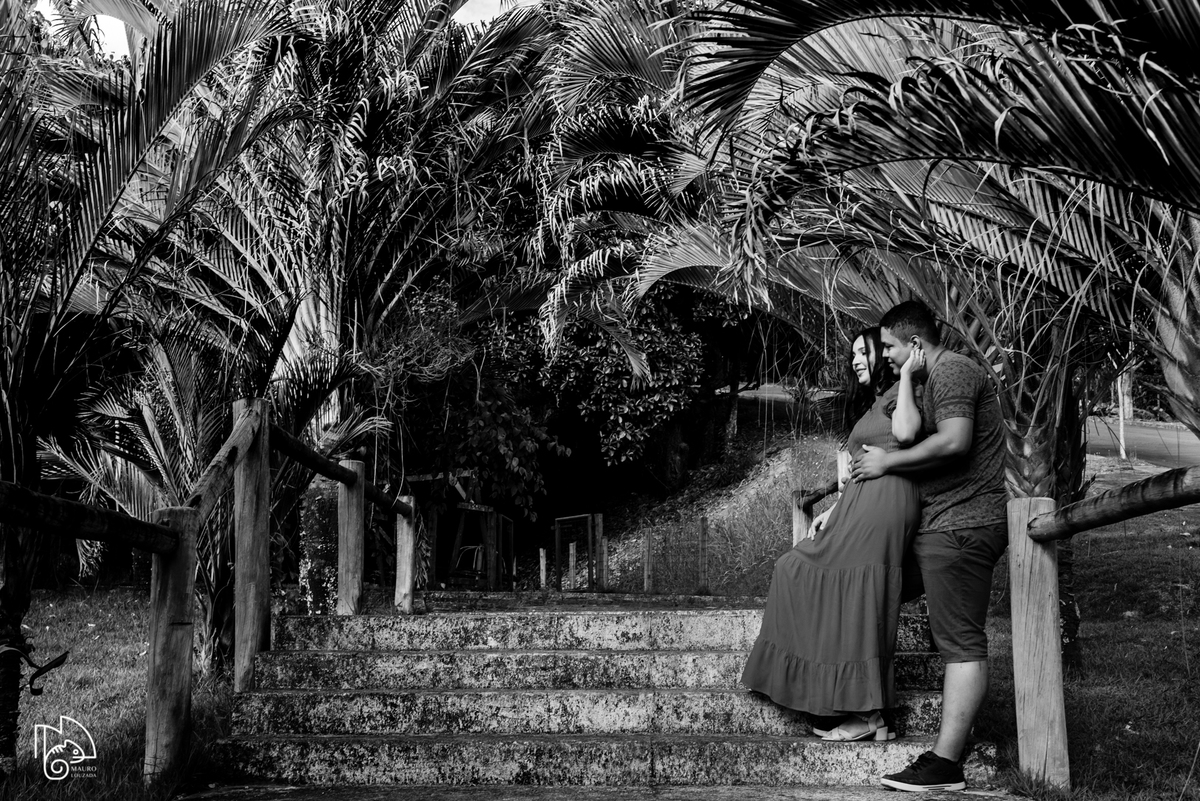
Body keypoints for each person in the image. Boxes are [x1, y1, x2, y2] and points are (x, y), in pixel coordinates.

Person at [851, 300, 1008, 792]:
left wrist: (888, 465)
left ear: (915, 343)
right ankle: (864, 708)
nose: (887, 356)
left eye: (891, 347)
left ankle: (945, 763)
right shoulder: (927, 379)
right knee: (874, 592)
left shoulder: (955, 371)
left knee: (959, 643)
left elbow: (955, 442)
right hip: (940, 527)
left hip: (961, 527)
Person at [741, 326, 923, 742]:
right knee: (797, 568)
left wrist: (909, 375)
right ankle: (859, 708)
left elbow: (908, 436)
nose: (856, 359)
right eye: (853, 354)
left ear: (886, 353)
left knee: (856, 588)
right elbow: (859, 465)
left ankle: (869, 713)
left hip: (887, 500)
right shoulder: (876, 401)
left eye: (865, 352)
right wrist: (835, 510)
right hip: (861, 502)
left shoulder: (901, 391)